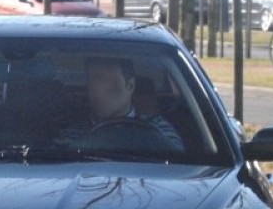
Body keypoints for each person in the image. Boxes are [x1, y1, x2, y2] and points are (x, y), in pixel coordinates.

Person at [56, 57, 184, 152]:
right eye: (91, 81)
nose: (95, 90)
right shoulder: (73, 135)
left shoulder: (159, 128)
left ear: (130, 86)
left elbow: (178, 159)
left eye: (104, 80)